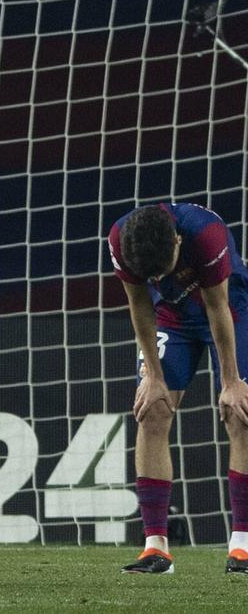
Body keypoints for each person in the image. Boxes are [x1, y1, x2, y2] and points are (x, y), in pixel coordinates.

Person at [109, 203, 248, 574]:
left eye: (165, 269)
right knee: (151, 410)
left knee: (241, 412)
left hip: (230, 309)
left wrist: (231, 382)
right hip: (172, 318)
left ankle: (242, 546)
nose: (158, 277)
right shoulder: (121, 240)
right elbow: (139, 305)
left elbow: (218, 307)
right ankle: (156, 548)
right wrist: (153, 376)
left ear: (177, 240)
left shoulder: (206, 234)